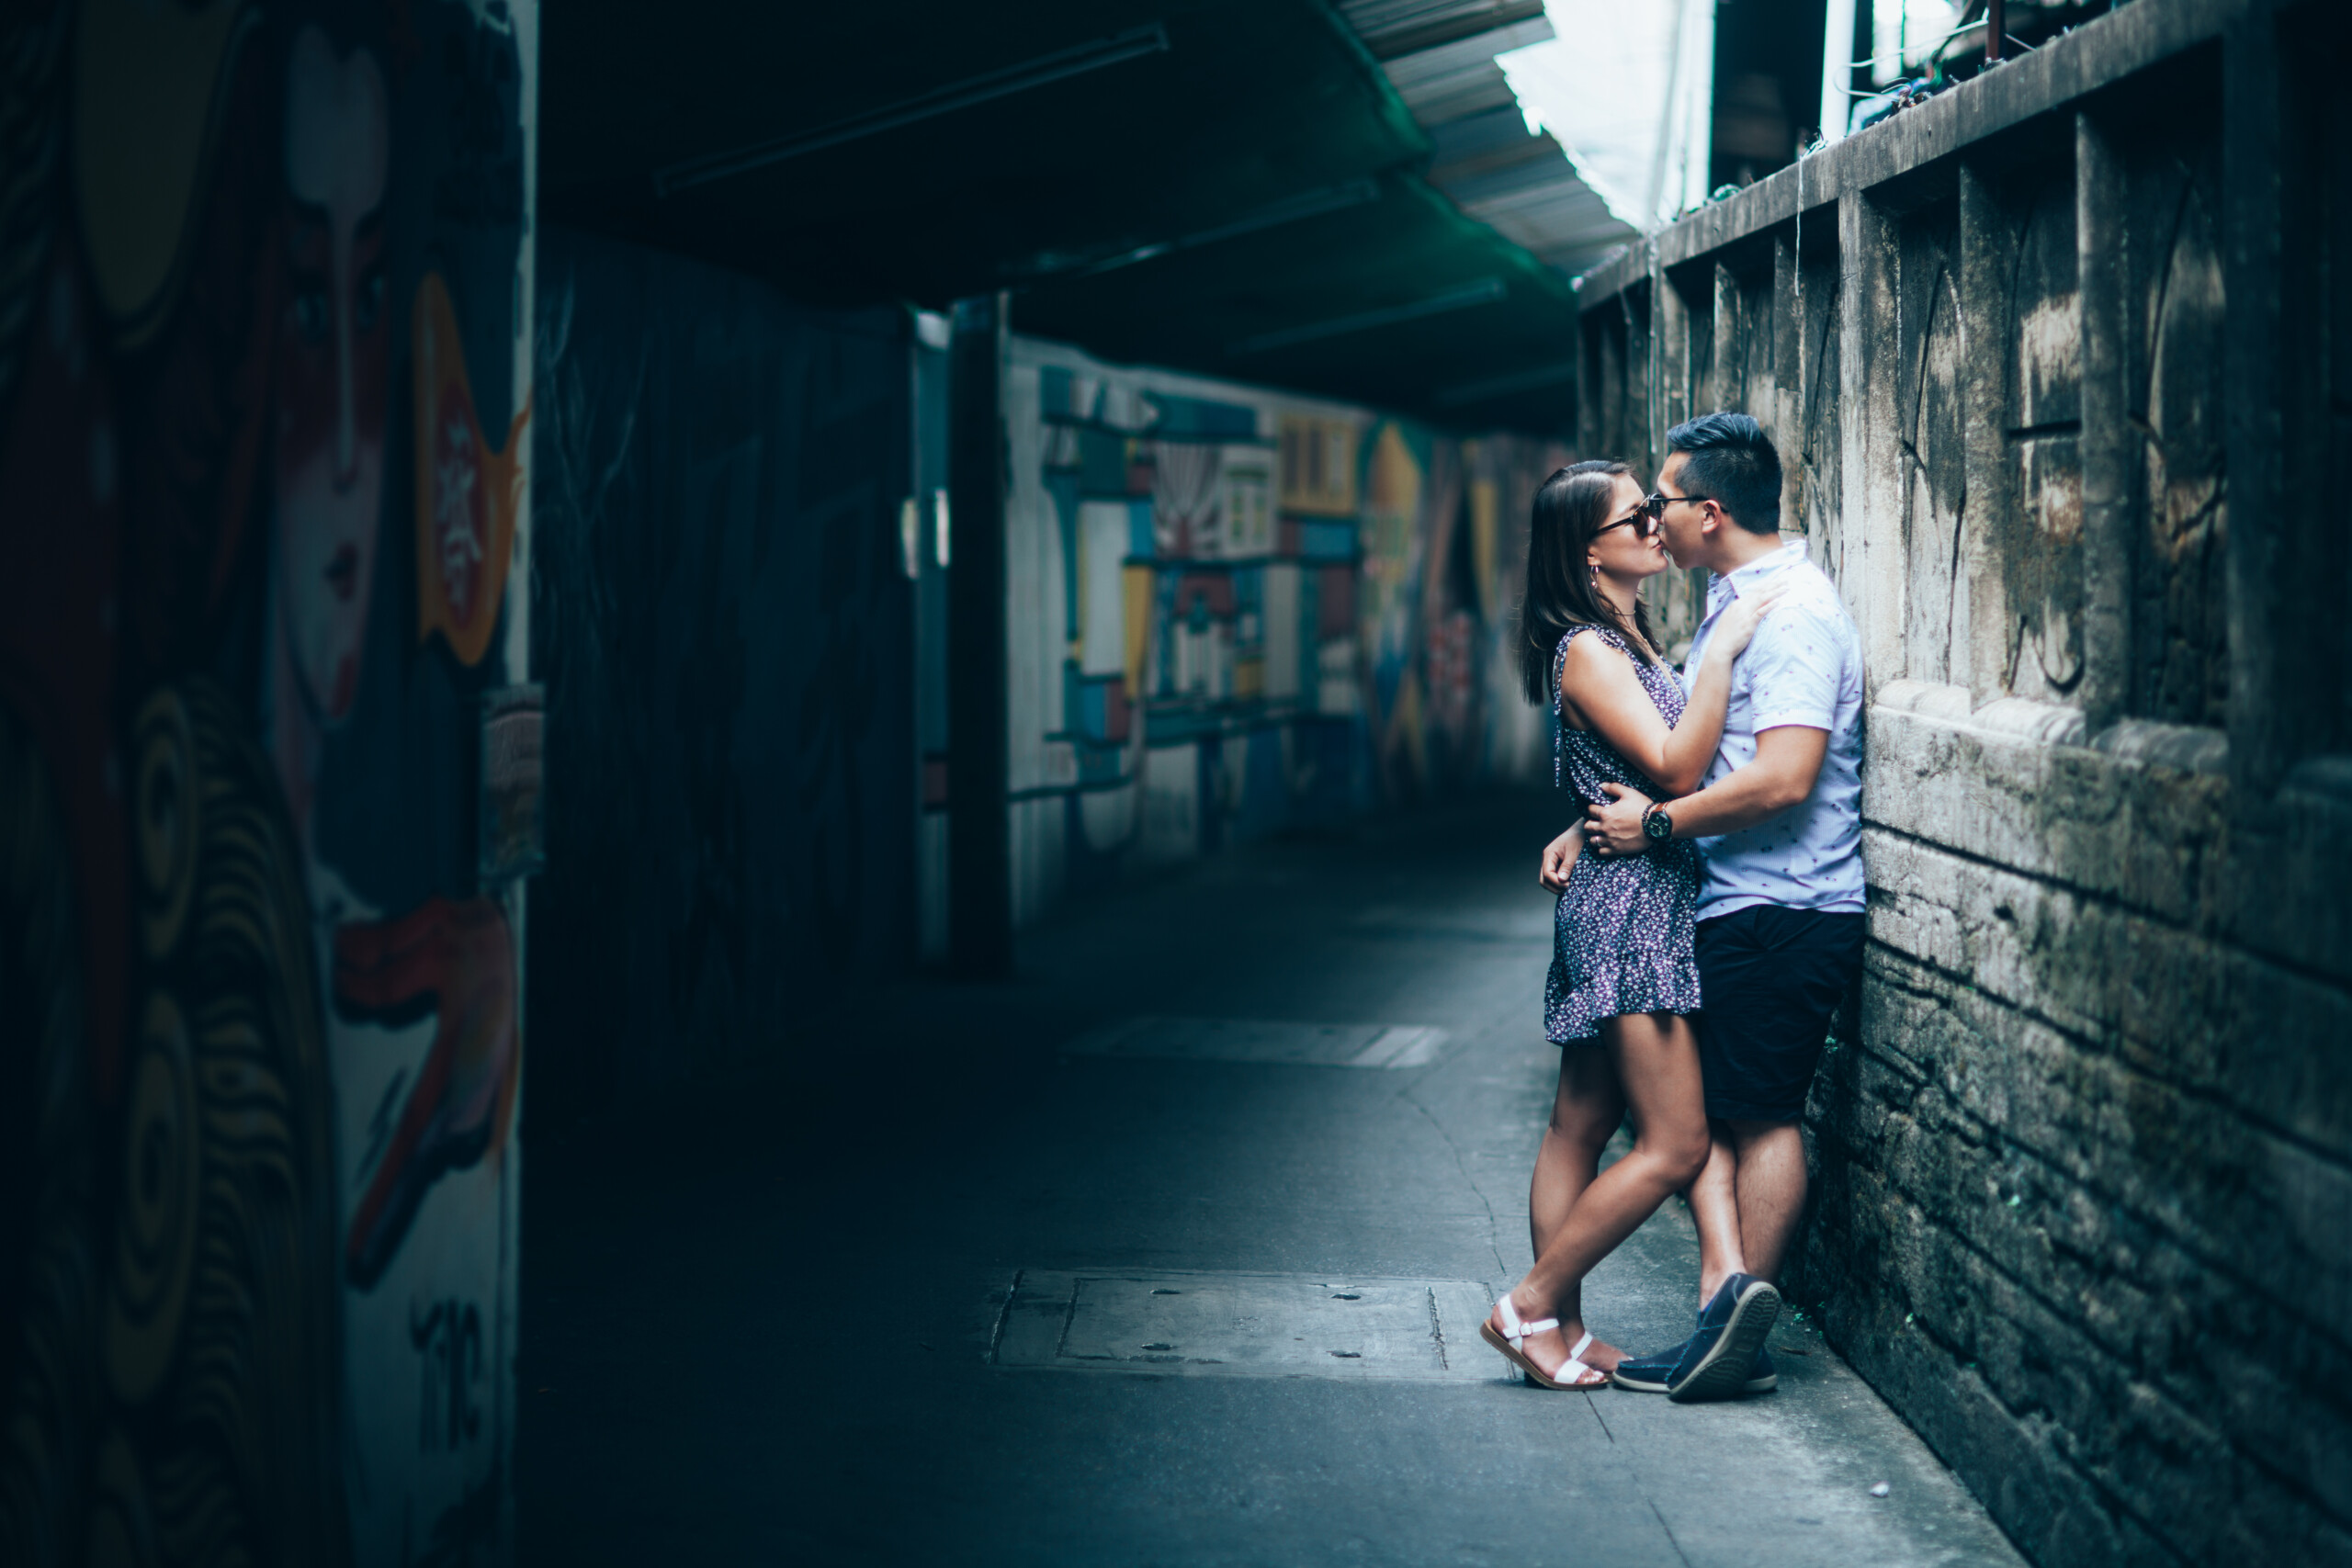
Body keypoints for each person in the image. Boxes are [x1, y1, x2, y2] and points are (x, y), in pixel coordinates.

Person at [1577, 412, 1868, 1403]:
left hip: (1781, 908)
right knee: (1724, 1114)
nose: (1651, 516)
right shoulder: (1736, 602)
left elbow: (1784, 777)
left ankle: (1737, 1314)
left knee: (1760, 1115)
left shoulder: (1790, 614)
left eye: (1661, 499)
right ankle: (1721, 1313)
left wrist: (1657, 826)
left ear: (1710, 511)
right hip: (1743, 903)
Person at [1481, 460, 1781, 1391]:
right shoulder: (1588, 648)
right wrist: (1726, 649)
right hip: (1629, 916)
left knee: (1580, 1120)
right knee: (1675, 1144)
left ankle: (1560, 1335)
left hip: (1626, 893)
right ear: (1589, 549)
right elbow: (1676, 770)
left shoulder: (1624, 635)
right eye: (1637, 513)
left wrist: (1580, 819)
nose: (1657, 524)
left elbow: (1629, 778)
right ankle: (1526, 1306)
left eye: (1654, 508)